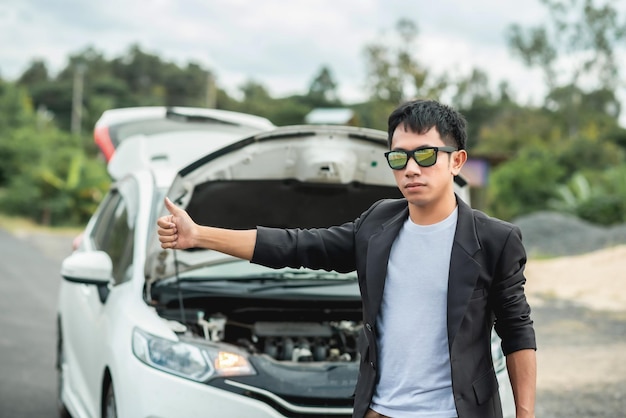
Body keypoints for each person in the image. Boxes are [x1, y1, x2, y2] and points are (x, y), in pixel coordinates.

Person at [156, 99, 537, 418]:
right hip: (380, 411)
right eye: (399, 157)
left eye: (425, 155)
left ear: (456, 162)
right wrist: (199, 235)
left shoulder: (495, 240)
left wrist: (525, 414)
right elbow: (296, 246)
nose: (411, 168)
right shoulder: (377, 225)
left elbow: (517, 332)